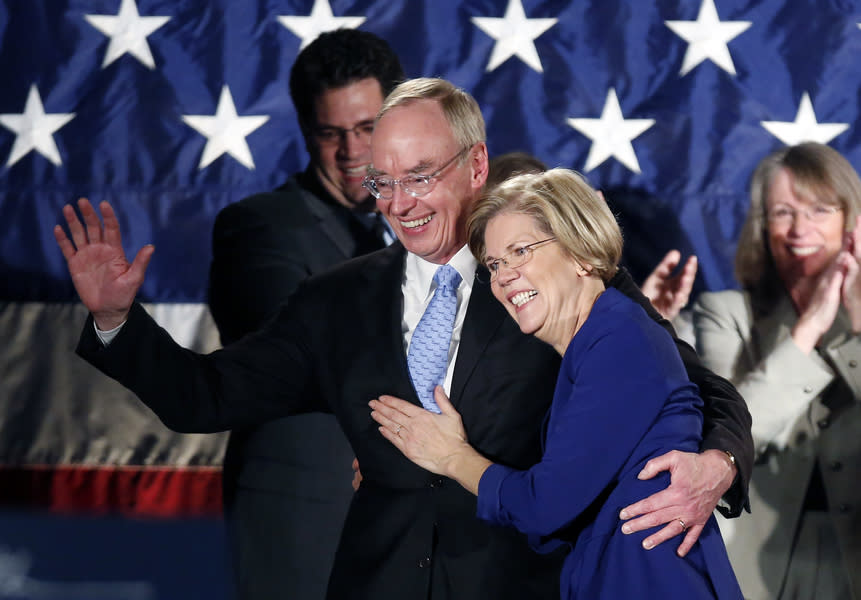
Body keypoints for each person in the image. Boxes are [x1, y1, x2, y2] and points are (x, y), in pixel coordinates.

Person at [55, 77, 751, 599]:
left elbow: (691, 386)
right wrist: (118, 320)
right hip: (375, 580)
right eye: (380, 182)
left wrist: (716, 464)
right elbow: (203, 398)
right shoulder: (336, 298)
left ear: (475, 168)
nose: (399, 204)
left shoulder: (548, 277)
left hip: (523, 586)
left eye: (420, 177)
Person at [370, 168, 743, 598]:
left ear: (582, 253)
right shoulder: (592, 348)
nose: (504, 275)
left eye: (521, 251)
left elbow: (544, 507)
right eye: (494, 264)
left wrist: (452, 456)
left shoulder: (620, 341)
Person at [206, 29, 404, 600]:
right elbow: (300, 352)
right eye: (330, 133)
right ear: (305, 131)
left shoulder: (439, 230)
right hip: (309, 529)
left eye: (368, 129)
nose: (351, 153)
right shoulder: (260, 228)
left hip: (426, 531)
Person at [692, 142, 861, 600]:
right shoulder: (726, 314)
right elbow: (728, 437)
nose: (799, 229)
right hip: (758, 568)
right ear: (762, 226)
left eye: (820, 210)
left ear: (852, 220)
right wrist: (807, 331)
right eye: (783, 212)